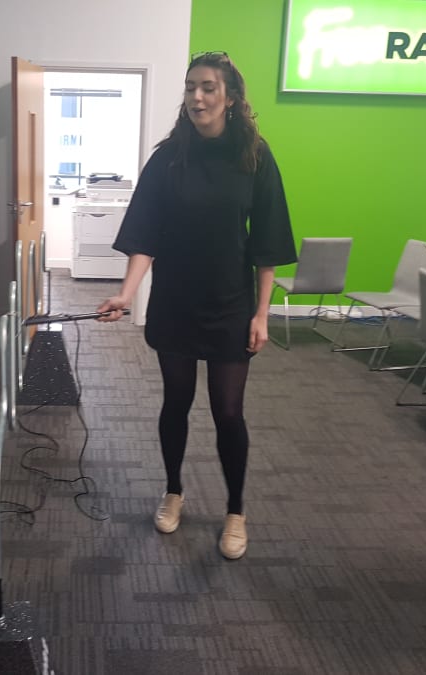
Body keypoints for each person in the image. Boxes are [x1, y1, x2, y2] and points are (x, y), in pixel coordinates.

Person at [96, 52, 296, 560]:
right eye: (190, 88)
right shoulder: (169, 158)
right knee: (176, 401)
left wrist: (262, 314)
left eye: (207, 87)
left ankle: (235, 511)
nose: (197, 97)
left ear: (230, 97)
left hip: (230, 303)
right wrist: (126, 293)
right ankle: (173, 491)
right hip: (176, 301)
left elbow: (267, 243)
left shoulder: (254, 156)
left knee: (228, 411)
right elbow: (145, 235)